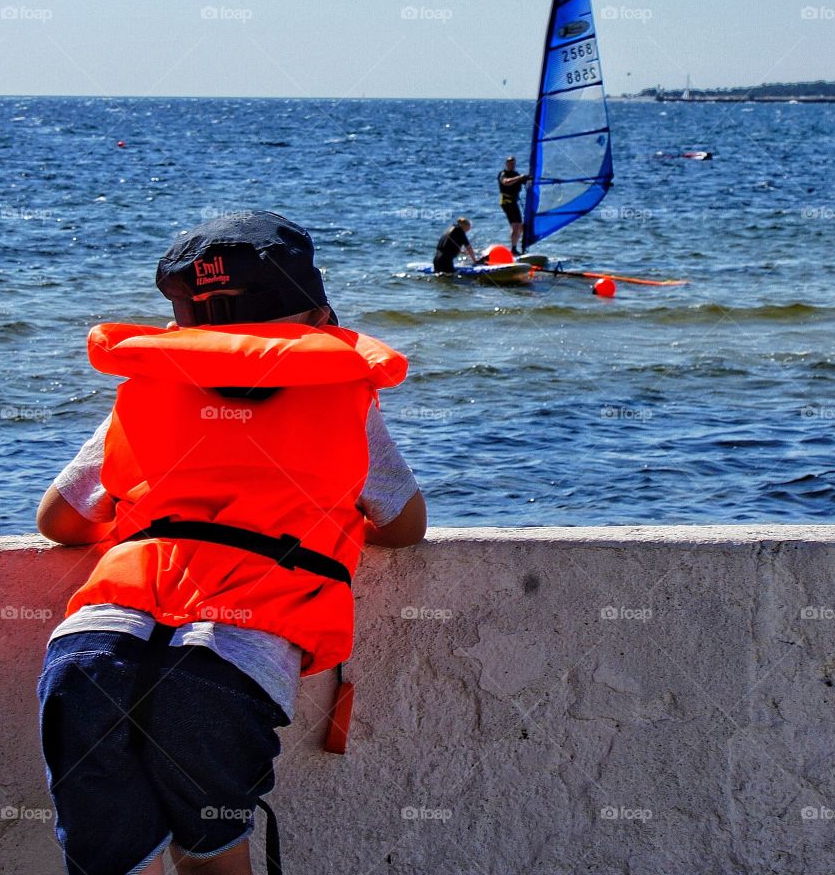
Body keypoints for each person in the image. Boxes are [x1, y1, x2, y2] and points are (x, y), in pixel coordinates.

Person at [36, 211, 426, 875]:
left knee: (111, 866)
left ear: (178, 323)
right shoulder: (343, 394)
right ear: (318, 315)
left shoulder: (150, 386)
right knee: (211, 858)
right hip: (226, 661)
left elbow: (60, 520)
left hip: (91, 653)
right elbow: (404, 524)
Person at [497, 156, 530, 253]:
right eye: (510, 163)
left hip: (514, 202)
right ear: (506, 164)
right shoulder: (503, 174)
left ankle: (521, 247)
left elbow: (527, 183)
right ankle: (513, 249)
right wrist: (520, 178)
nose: (512, 165)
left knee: (520, 227)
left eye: (513, 163)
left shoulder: (516, 174)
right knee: (515, 225)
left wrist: (529, 178)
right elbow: (506, 182)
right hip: (506, 202)